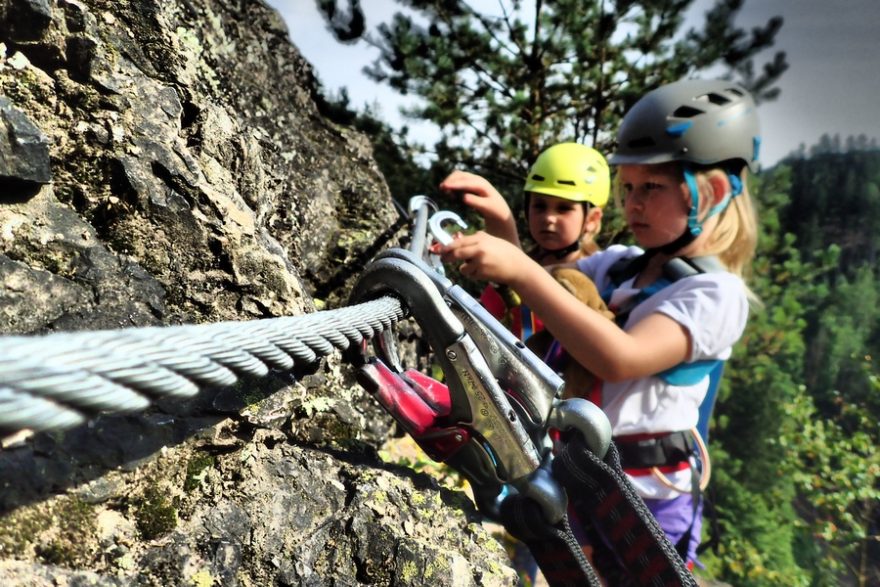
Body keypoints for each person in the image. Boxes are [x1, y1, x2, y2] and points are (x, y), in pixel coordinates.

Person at [434, 78, 761, 570]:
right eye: (629, 187)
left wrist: (518, 266)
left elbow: (620, 357)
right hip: (587, 477)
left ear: (710, 192)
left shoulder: (716, 295)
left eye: (651, 187)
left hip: (650, 504)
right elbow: (542, 291)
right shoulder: (621, 265)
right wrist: (503, 228)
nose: (633, 204)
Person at [439, 142, 611, 341]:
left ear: (591, 220)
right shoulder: (512, 265)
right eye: (539, 205)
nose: (549, 218)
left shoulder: (602, 277)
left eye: (563, 208)